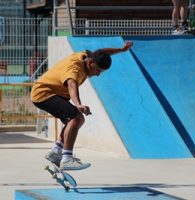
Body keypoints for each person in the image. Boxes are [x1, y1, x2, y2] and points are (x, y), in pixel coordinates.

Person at [31, 41, 133, 170]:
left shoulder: (86, 55)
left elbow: (103, 52)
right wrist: (78, 104)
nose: (97, 74)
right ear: (90, 63)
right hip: (43, 93)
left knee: (76, 120)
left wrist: (121, 50)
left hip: (54, 93)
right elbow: (71, 84)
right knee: (76, 117)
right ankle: (67, 159)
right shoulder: (75, 68)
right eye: (97, 70)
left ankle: (56, 152)